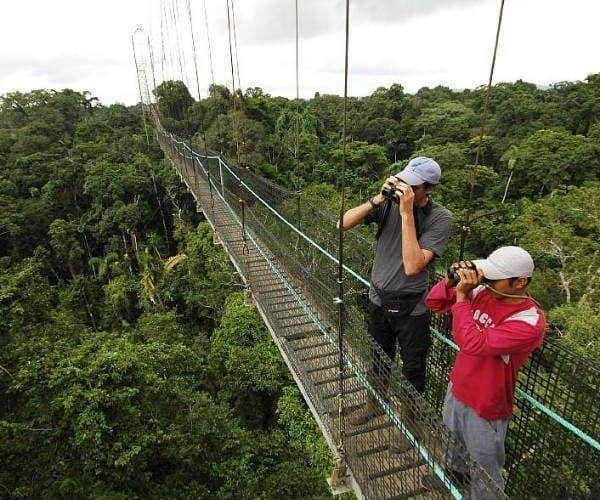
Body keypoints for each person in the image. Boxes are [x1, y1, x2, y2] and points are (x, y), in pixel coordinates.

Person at [338, 157, 452, 427]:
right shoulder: (388, 205)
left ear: (429, 189)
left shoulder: (439, 218)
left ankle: (410, 424)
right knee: (378, 356)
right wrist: (377, 199)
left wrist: (406, 213)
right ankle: (375, 404)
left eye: (412, 186)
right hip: (378, 298)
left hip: (413, 308)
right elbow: (343, 223)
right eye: (403, 181)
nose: (404, 189)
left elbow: (413, 265)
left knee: (412, 370)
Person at [424, 246, 546, 498]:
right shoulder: (482, 291)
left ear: (519, 282)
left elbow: (473, 343)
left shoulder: (529, 321)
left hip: (487, 402)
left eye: (494, 278)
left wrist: (461, 298)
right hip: (459, 384)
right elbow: (434, 302)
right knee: (451, 438)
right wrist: (450, 280)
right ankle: (454, 476)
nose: (486, 281)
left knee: (485, 463)